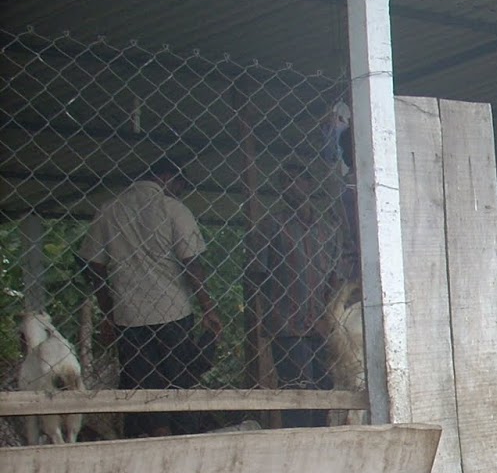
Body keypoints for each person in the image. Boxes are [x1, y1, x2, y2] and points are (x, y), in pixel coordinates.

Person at [81, 156, 221, 437]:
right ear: (167, 178)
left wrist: (108, 311)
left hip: (128, 314)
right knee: (179, 380)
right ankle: (181, 437)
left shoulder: (110, 210)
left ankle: (156, 433)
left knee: (142, 382)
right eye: (180, 186)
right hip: (173, 311)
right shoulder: (173, 209)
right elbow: (192, 262)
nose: (180, 193)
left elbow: (93, 264)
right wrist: (208, 307)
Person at [247, 161, 347, 428]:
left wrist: (327, 316)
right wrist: (272, 309)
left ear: (309, 185)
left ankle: (322, 442)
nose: (290, 187)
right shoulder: (271, 226)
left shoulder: (327, 230)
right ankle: (297, 442)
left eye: (296, 180)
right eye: (284, 182)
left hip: (322, 326)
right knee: (297, 394)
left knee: (325, 391)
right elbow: (256, 274)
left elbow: (335, 278)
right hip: (288, 325)